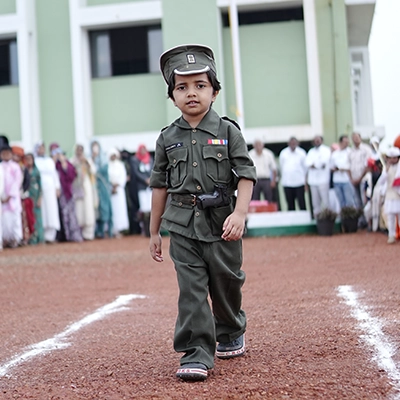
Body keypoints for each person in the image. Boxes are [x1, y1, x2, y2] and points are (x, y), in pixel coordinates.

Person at [149, 44, 256, 381]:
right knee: (192, 289)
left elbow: (247, 175)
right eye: (182, 87)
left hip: (223, 224)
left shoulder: (228, 131)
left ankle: (231, 327)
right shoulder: (167, 138)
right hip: (182, 226)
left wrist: (240, 214)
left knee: (226, 283)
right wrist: (154, 231)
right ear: (172, 97)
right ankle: (196, 352)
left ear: (215, 91)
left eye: (200, 85)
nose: (191, 93)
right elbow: (159, 186)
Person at [34, 142, 61, 243]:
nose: (41, 150)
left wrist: (57, 187)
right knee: (43, 210)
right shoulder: (35, 161)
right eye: (39, 148)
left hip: (50, 188)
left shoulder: (49, 161)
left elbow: (54, 174)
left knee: (52, 209)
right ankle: (43, 234)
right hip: (41, 188)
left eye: (43, 148)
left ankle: (51, 235)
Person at [55, 149, 83, 242]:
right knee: (64, 214)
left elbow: (72, 176)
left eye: (62, 155)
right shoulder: (56, 166)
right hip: (62, 193)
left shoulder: (70, 165)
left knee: (72, 214)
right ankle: (66, 236)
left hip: (70, 192)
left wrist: (65, 167)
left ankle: (75, 235)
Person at [71, 144, 97, 240]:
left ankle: (88, 233)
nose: (79, 152)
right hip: (77, 187)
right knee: (79, 208)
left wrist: (86, 163)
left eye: (81, 150)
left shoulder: (87, 160)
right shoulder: (72, 161)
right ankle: (79, 232)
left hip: (86, 185)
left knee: (88, 207)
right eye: (78, 150)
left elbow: (93, 171)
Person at [1, 145, 23, 248]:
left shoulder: (15, 167)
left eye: (8, 153)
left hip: (13, 197)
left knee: (15, 218)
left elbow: (17, 181)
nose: (6, 155)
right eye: (3, 153)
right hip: (2, 198)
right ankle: (5, 239)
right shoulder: (0, 167)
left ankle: (16, 238)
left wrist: (10, 195)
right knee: (4, 219)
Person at [90, 140, 113, 239]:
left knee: (106, 207)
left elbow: (101, 172)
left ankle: (108, 230)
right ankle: (98, 231)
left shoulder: (104, 160)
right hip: (94, 188)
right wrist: (92, 159)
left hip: (104, 188)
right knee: (96, 208)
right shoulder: (89, 159)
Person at [12, 146, 35, 245]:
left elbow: (27, 182)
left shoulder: (23, 168)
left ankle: (25, 237)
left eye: (18, 156)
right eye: (14, 155)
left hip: (22, 195)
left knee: (25, 217)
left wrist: (21, 192)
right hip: (11, 197)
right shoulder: (8, 167)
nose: (16, 158)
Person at [349, 132, 373, 227]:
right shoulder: (351, 151)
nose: (355, 139)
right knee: (357, 201)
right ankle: (361, 221)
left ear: (360, 138)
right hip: (354, 180)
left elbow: (368, 165)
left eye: (357, 137)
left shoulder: (366, 149)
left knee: (365, 200)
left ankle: (369, 221)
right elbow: (348, 166)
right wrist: (352, 179)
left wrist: (360, 178)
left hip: (364, 179)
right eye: (354, 138)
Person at [305, 135, 331, 218]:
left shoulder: (326, 150)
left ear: (322, 141)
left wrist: (314, 165)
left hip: (323, 180)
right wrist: (316, 165)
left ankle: (327, 218)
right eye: (315, 140)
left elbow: (323, 163)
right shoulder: (311, 151)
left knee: (325, 201)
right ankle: (317, 218)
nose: (316, 142)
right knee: (315, 202)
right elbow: (307, 163)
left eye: (318, 140)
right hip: (313, 181)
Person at [279, 137, 307, 210]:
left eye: (294, 143)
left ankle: (303, 216)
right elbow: (282, 167)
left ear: (297, 143)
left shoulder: (302, 153)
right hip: (287, 183)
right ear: (288, 144)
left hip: (299, 182)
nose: (293, 144)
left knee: (301, 203)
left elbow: (305, 168)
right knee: (290, 204)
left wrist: (305, 182)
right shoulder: (283, 153)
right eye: (291, 143)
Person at [132, 144, 153, 236]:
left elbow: (154, 170)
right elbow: (136, 172)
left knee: (151, 207)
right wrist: (145, 180)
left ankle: (153, 229)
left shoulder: (150, 159)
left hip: (150, 187)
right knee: (144, 208)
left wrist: (151, 179)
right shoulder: (135, 160)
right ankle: (144, 229)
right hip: (142, 187)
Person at [380, 147, 400, 244]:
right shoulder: (386, 168)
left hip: (398, 195)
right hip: (390, 195)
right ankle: (391, 236)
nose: (392, 160)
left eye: (394, 158)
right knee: (390, 217)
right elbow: (381, 181)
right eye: (390, 158)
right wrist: (386, 172)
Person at [330, 135, 356, 209]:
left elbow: (352, 166)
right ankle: (344, 215)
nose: (347, 144)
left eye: (347, 142)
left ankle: (351, 215)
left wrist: (343, 169)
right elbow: (331, 166)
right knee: (341, 202)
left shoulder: (350, 152)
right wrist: (336, 169)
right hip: (337, 180)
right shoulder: (335, 154)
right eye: (345, 142)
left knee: (349, 201)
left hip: (347, 180)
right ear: (340, 142)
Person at [108, 148, 129, 237]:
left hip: (119, 190)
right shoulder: (108, 166)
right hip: (110, 190)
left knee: (120, 209)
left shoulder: (120, 165)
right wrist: (111, 186)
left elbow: (123, 177)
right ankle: (112, 229)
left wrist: (117, 185)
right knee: (112, 209)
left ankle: (120, 229)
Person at [24, 153, 45, 245]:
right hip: (28, 196)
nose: (29, 161)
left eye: (30, 159)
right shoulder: (24, 170)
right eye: (27, 159)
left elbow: (40, 186)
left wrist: (40, 198)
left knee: (37, 217)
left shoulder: (36, 171)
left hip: (35, 196)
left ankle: (40, 238)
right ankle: (32, 238)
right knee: (30, 217)